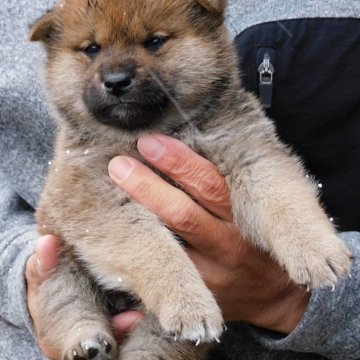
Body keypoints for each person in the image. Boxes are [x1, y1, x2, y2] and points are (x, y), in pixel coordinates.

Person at [0, 0, 359, 359]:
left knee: (178, 334)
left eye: (154, 42)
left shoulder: (229, 115)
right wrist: (22, 278)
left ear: (209, 25)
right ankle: (80, 334)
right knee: (62, 291)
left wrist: (296, 273)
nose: (114, 73)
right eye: (91, 50)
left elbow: (260, 170)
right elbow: (98, 219)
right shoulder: (82, 146)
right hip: (73, 275)